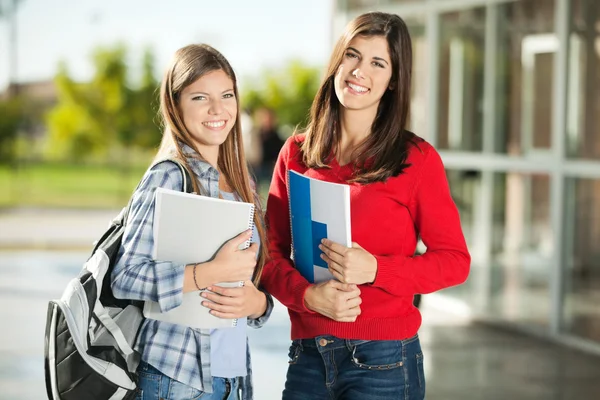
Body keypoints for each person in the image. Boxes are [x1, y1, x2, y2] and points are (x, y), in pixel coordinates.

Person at [260, 12, 471, 400]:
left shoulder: (416, 159)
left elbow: (455, 261)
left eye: (378, 63)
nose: (360, 71)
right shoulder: (297, 153)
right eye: (353, 55)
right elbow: (269, 253)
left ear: (393, 81)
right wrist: (307, 296)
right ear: (337, 61)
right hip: (308, 357)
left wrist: (377, 269)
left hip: (385, 363)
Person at [111, 44, 273, 400]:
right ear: (175, 105)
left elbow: (255, 282)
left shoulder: (243, 182)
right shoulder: (168, 175)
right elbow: (126, 276)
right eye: (200, 97)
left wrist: (259, 305)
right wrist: (209, 272)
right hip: (177, 378)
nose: (218, 109)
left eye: (227, 95)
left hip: (233, 378)